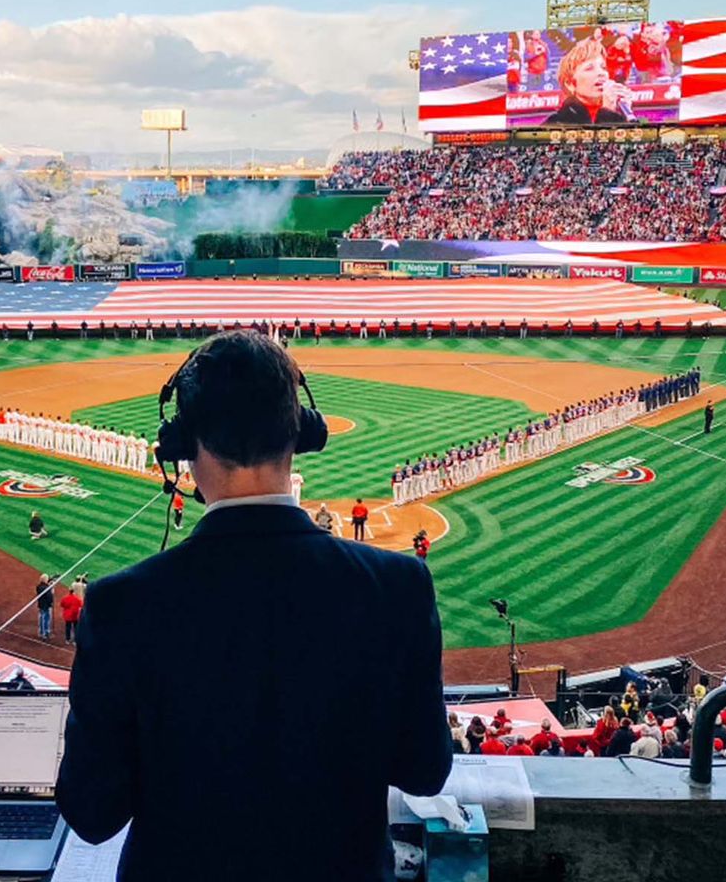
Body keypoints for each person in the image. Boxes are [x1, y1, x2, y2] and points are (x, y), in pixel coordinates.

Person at [57, 330, 451, 881]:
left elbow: (92, 813)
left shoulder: (122, 604)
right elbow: (425, 771)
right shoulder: (397, 586)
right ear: (303, 434)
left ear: (183, 442)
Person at [544, 38, 630, 125]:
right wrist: (608, 113)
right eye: (589, 68)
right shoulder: (555, 123)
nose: (601, 73)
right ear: (570, 83)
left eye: (603, 67)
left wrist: (626, 116)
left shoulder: (620, 116)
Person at [36, 574, 55, 641]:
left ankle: (41, 632)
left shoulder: (38, 587)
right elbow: (49, 596)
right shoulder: (46, 588)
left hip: (41, 604)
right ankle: (45, 633)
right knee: (46, 619)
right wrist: (51, 589)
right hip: (46, 605)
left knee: (41, 618)